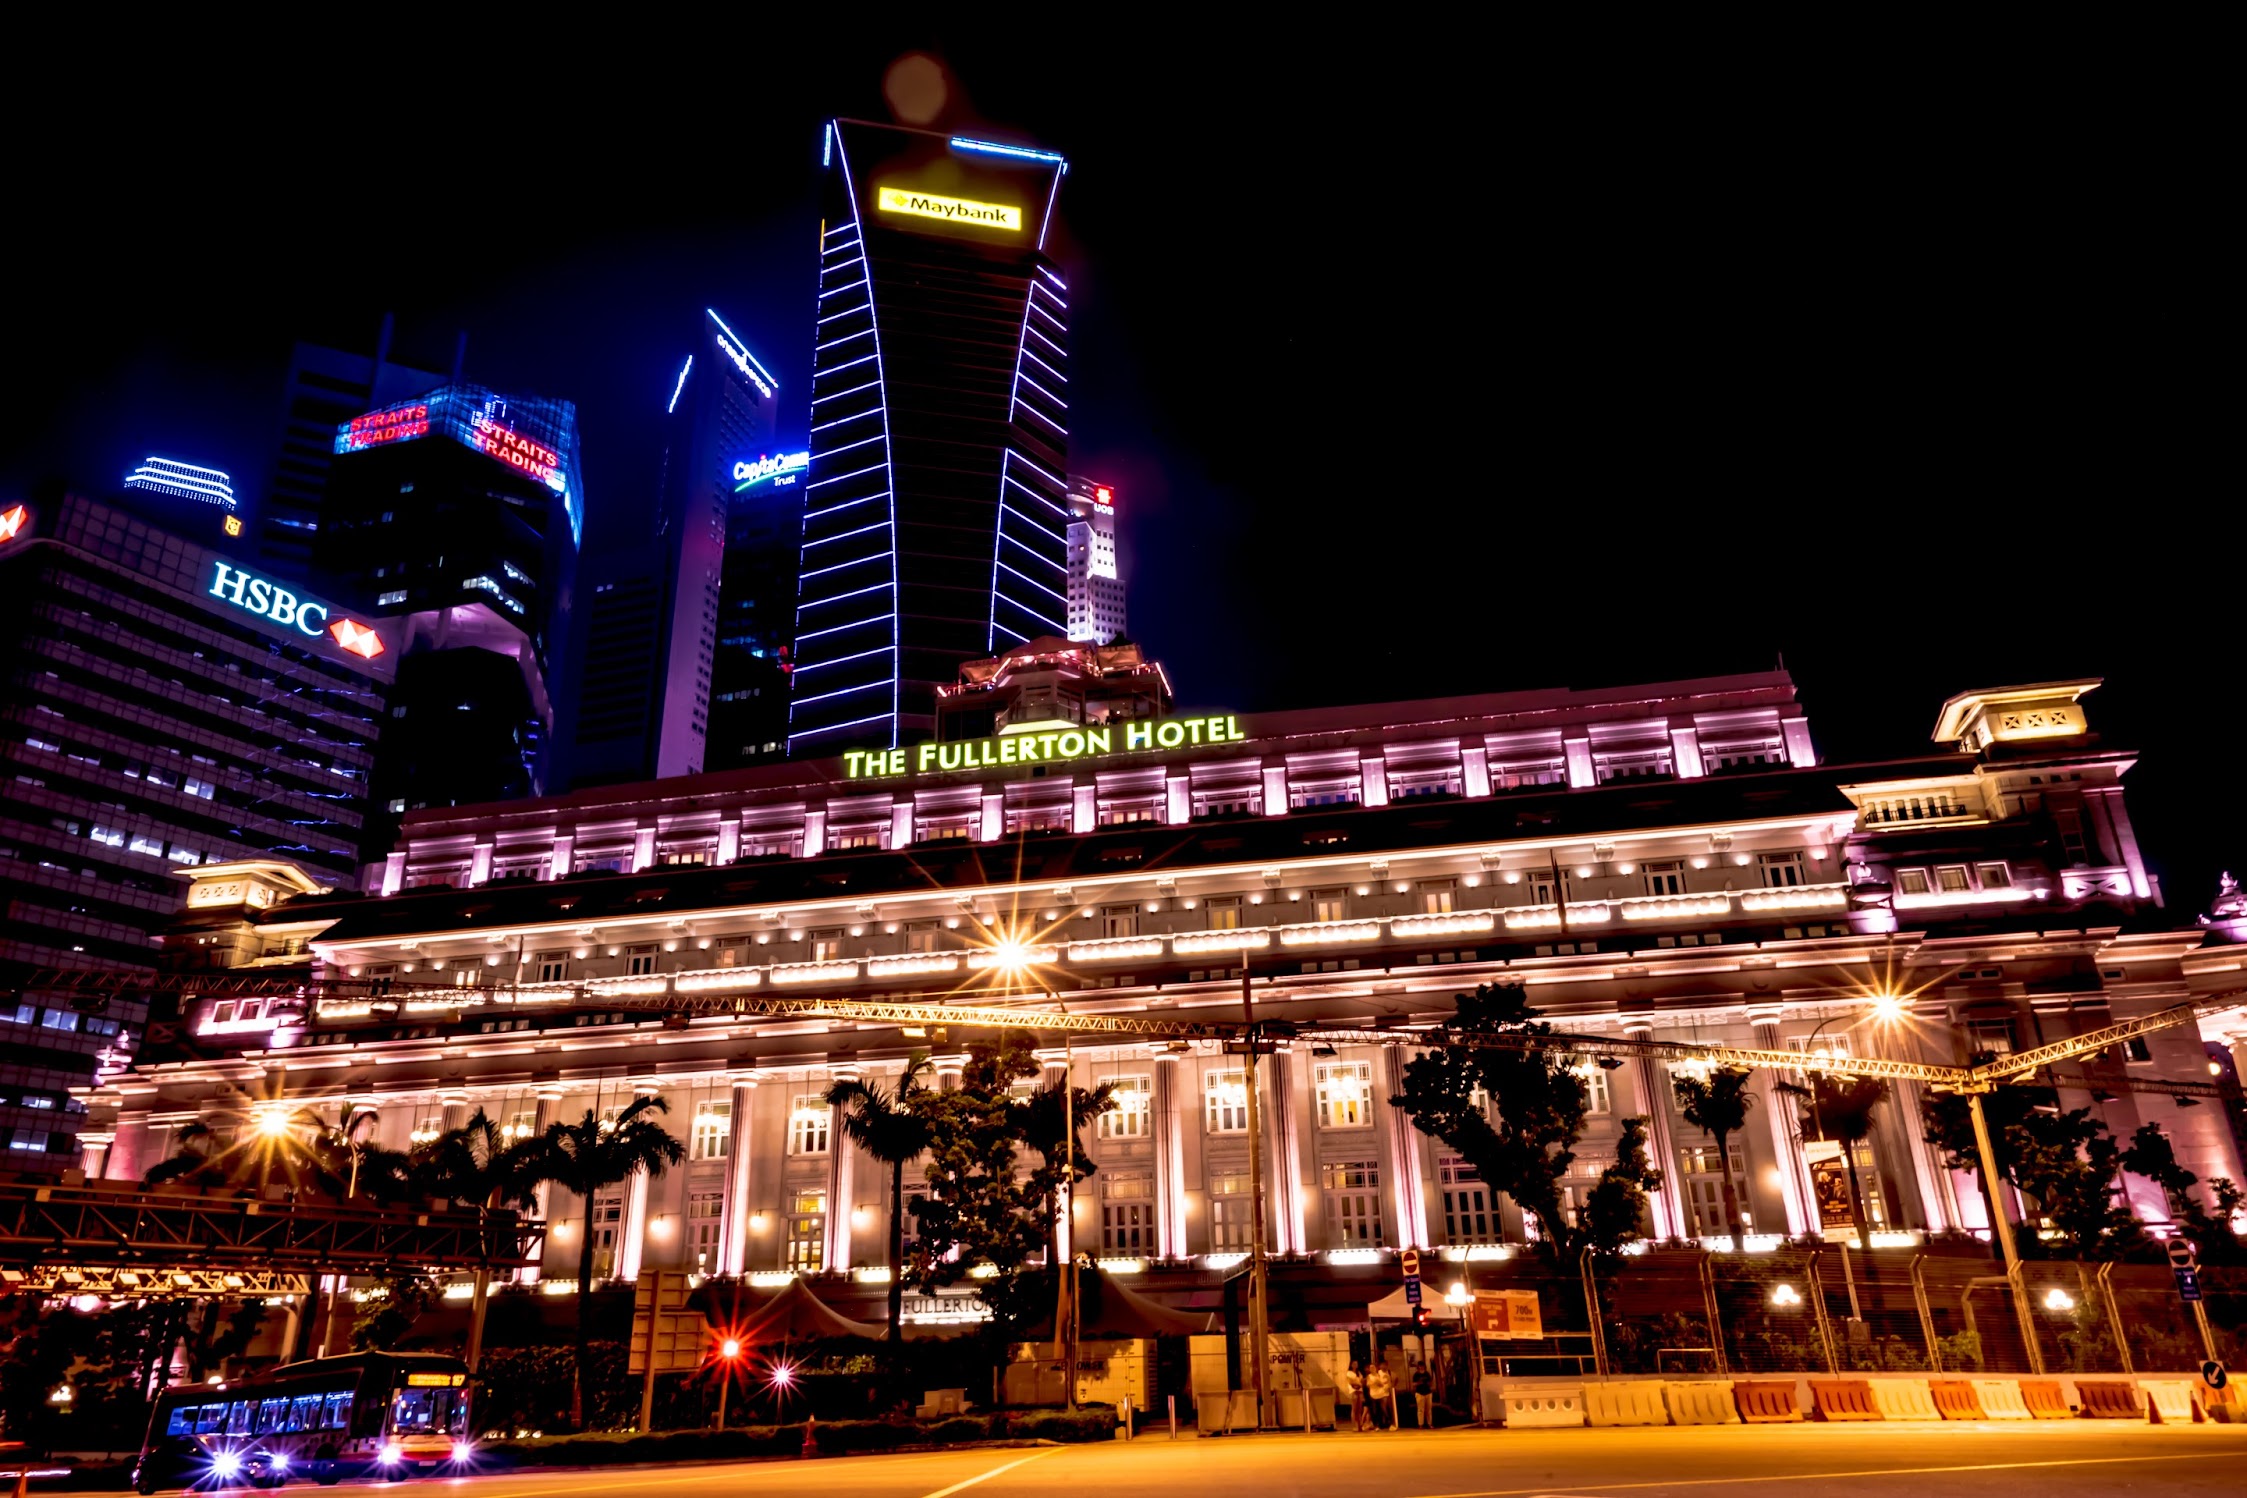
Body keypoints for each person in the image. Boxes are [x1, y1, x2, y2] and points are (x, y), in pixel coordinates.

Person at [1367, 1363, 1394, 1430]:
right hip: (1373, 1395)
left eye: (1373, 1367)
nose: (1372, 1369)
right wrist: (1374, 1383)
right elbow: (1368, 1384)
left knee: (1384, 1409)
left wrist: (1382, 1383)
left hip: (1381, 1394)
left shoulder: (1379, 1374)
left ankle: (1389, 1424)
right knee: (1375, 1410)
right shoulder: (1369, 1376)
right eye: (1371, 1368)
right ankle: (1377, 1425)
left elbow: (1384, 1382)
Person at [1343, 1360, 1368, 1431]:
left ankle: (1360, 1425)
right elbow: (1352, 1382)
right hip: (1353, 1390)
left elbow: (1361, 1381)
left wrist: (1362, 1382)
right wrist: (1359, 1383)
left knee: (1359, 1409)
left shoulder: (1359, 1373)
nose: (1355, 1365)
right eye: (1354, 1364)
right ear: (1351, 1365)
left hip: (1360, 1390)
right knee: (1354, 1408)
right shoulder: (1349, 1373)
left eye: (1356, 1364)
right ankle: (1354, 1425)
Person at [1412, 1359, 1434, 1429]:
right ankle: (1420, 1424)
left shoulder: (1427, 1374)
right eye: (1420, 1366)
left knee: (1429, 1409)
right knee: (1420, 1409)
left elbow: (1431, 1383)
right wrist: (1419, 1383)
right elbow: (1413, 1384)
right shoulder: (1416, 1374)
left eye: (1422, 1366)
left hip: (1428, 1392)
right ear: (1418, 1367)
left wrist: (1428, 1383)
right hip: (1419, 1393)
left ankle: (1429, 1423)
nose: (1421, 1367)